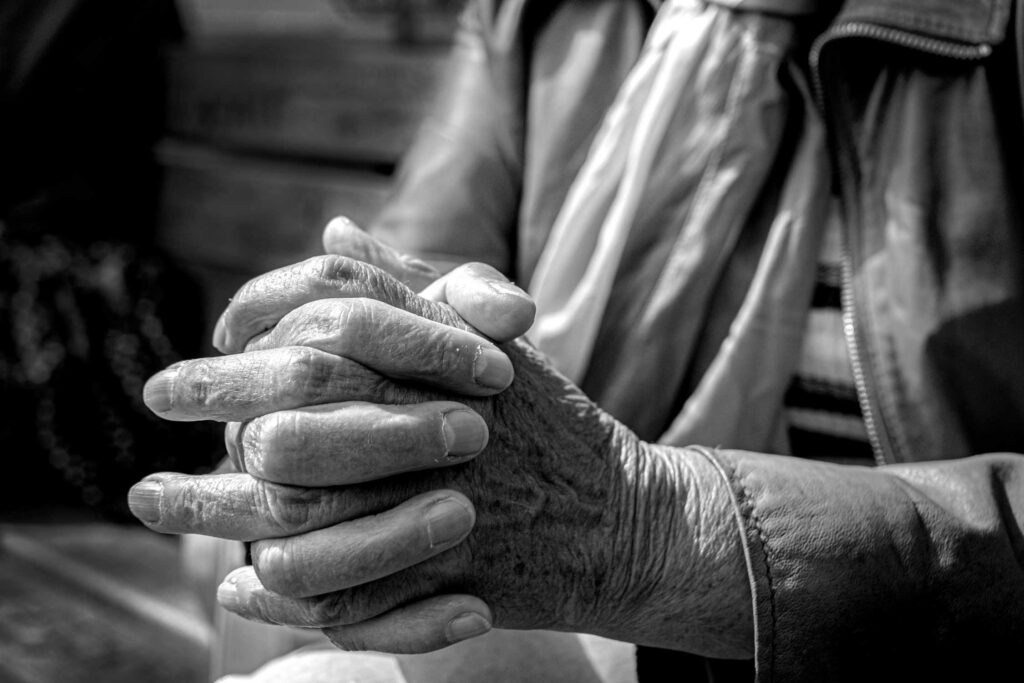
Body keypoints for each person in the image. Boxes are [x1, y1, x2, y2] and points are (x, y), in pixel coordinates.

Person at [129, 0, 1024, 680]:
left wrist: (646, 523)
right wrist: (344, 412)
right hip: (592, 613)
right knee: (299, 617)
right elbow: (401, 287)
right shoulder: (548, 14)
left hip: (864, 626)